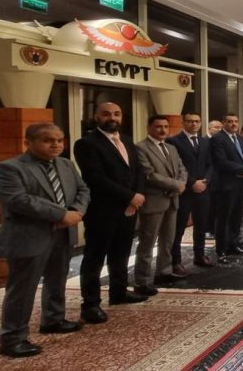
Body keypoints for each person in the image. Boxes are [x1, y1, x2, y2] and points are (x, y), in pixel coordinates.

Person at [0, 123, 89, 358]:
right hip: (29, 235)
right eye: (48, 140)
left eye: (59, 140)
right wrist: (61, 214)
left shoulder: (66, 164)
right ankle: (13, 338)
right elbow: (19, 200)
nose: (56, 144)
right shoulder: (10, 168)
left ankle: (53, 319)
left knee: (57, 278)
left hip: (62, 233)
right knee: (22, 288)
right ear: (29, 142)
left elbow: (83, 189)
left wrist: (76, 211)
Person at [74, 102, 148, 324]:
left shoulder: (126, 140)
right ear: (96, 116)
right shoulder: (87, 143)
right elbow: (95, 177)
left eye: (116, 113)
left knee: (121, 253)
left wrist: (139, 194)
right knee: (95, 258)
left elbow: (138, 170)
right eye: (106, 114)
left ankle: (119, 292)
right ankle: (90, 304)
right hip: (102, 210)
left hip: (129, 208)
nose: (112, 118)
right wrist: (129, 196)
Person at [133, 116, 187, 296]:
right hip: (154, 201)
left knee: (168, 240)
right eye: (158, 126)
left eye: (165, 126)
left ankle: (164, 271)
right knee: (147, 243)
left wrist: (181, 183)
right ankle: (142, 280)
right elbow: (149, 174)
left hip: (172, 200)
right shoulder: (141, 148)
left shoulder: (171, 148)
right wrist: (175, 185)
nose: (163, 130)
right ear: (149, 127)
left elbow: (182, 169)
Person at [167, 112, 214, 269]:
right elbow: (176, 166)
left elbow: (210, 164)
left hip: (203, 190)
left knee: (201, 226)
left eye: (197, 121)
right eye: (190, 121)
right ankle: (176, 261)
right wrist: (192, 182)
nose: (194, 124)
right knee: (179, 228)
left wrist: (205, 181)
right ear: (183, 122)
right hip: (184, 191)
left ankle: (199, 256)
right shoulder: (173, 141)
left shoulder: (205, 142)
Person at [209, 114, 243, 265]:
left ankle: (234, 245)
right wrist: (242, 169)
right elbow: (220, 161)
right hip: (226, 185)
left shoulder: (240, 138)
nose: (234, 124)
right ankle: (221, 250)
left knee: (237, 215)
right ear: (224, 123)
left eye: (236, 121)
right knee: (224, 218)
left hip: (241, 183)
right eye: (230, 122)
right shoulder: (217, 139)